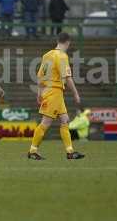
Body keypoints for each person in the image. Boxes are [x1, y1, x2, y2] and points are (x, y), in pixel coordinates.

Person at [28, 32, 85, 160]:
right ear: (68, 42)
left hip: (51, 92)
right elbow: (68, 77)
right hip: (54, 92)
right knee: (46, 122)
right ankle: (33, 151)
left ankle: (70, 152)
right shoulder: (62, 56)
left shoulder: (47, 55)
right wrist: (76, 93)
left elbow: (40, 76)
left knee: (65, 119)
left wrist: (39, 93)